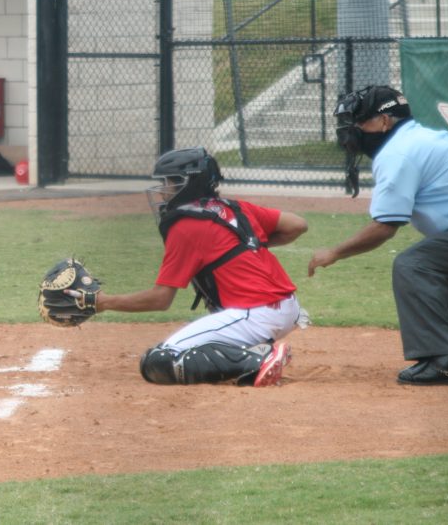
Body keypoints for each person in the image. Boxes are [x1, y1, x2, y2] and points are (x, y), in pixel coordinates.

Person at [308, 85, 448, 386]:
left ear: (384, 121)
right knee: (443, 268)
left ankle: (442, 361)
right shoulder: (420, 138)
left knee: (415, 266)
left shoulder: (398, 153)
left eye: (359, 122)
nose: (352, 130)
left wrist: (335, 252)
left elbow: (385, 227)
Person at [93, 148, 309, 387]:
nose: (164, 189)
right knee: (202, 347)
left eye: (170, 182)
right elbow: (297, 224)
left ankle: (260, 359)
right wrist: (250, 245)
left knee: (160, 361)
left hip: (255, 313)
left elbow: (160, 299)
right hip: (285, 306)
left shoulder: (186, 225)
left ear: (191, 183)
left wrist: (102, 302)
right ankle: (253, 351)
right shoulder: (233, 207)